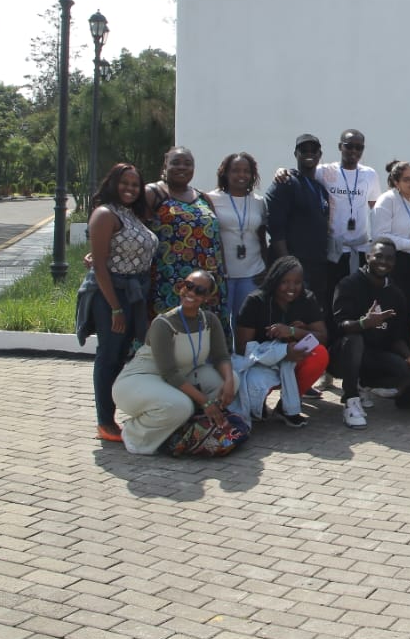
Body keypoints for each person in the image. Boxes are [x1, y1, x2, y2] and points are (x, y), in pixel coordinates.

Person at [112, 270, 240, 455]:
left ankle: (187, 427)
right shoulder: (163, 324)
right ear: (180, 287)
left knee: (234, 380)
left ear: (207, 298)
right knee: (180, 406)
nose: (191, 293)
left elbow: (221, 356)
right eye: (188, 286)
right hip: (141, 379)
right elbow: (169, 373)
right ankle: (134, 433)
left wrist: (228, 382)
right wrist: (205, 402)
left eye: (199, 291)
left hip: (181, 376)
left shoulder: (209, 320)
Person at [76, 163, 158, 442]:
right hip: (112, 293)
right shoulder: (104, 214)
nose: (130, 189)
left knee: (124, 355)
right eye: (125, 183)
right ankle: (104, 420)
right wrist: (116, 308)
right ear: (113, 183)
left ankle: (115, 412)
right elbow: (99, 265)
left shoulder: (131, 214)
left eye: (135, 185)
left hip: (135, 292)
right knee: (109, 356)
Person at [330, 238, 410, 429]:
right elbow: (340, 326)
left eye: (389, 258)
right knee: (354, 340)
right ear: (368, 256)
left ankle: (365, 385)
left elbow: (396, 337)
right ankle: (351, 400)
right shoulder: (348, 284)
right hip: (342, 356)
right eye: (378, 256)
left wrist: (409, 355)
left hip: (373, 357)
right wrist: (364, 323)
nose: (384, 262)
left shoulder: (395, 294)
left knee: (409, 372)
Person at [232, 255, 328, 428]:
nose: (291, 288)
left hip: (293, 357)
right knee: (256, 377)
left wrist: (294, 332)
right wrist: (281, 353)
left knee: (319, 353)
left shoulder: (307, 298)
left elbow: (321, 336)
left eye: (297, 282)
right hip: (260, 360)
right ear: (275, 280)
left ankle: (285, 406)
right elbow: (242, 348)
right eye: (285, 282)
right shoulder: (255, 301)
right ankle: (257, 402)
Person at [145, 146, 228, 325]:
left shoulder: (202, 198)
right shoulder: (153, 193)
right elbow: (134, 228)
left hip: (207, 280)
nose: (182, 167)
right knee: (170, 329)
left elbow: (217, 238)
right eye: (176, 163)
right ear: (165, 166)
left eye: (188, 164)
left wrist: (223, 273)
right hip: (168, 279)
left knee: (205, 330)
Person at [264, 134, 330, 303]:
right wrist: (288, 266)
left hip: (317, 266)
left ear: (320, 155)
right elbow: (275, 228)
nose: (309, 154)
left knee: (311, 319)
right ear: (296, 154)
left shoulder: (321, 189)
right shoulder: (285, 182)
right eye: (304, 150)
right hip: (293, 267)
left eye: (313, 150)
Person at [319, 130, 381, 306]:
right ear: (340, 147)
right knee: (333, 295)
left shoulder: (370, 174)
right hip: (335, 249)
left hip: (361, 248)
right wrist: (282, 171)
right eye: (349, 146)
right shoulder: (324, 171)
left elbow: (375, 208)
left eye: (359, 147)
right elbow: (301, 174)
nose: (354, 151)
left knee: (358, 296)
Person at [208, 152, 268, 322]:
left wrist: (266, 267)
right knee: (221, 322)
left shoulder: (258, 201)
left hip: (252, 272)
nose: (241, 175)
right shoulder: (211, 199)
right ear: (225, 173)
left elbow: (262, 237)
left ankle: (243, 351)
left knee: (245, 323)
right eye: (235, 170)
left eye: (246, 171)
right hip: (223, 275)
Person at [371, 160, 410, 317]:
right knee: (395, 310)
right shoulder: (387, 199)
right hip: (394, 263)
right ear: (396, 183)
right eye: (406, 179)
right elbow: (379, 236)